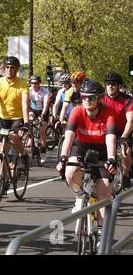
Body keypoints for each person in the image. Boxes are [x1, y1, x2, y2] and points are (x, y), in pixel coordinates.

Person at [56, 80, 117, 234]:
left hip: (102, 151)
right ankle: (79, 197)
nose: (87, 100)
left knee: (103, 194)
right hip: (81, 147)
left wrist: (111, 158)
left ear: (99, 98)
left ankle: (101, 234)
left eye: (91, 97)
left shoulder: (109, 113)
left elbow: (110, 137)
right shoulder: (77, 111)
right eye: (84, 97)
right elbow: (69, 135)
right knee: (70, 172)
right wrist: (63, 157)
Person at [0, 56, 30, 170]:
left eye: (12, 68)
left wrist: (26, 122)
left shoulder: (22, 84)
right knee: (1, 148)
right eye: (7, 67)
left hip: (17, 117)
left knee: (13, 137)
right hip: (2, 117)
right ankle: (3, 177)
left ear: (16, 70)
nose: (9, 69)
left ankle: (23, 155)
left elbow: (25, 105)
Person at [102, 72, 133, 189]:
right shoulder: (101, 99)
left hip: (123, 132)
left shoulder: (127, 100)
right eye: (108, 84)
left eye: (113, 84)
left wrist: (124, 138)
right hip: (106, 132)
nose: (110, 86)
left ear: (119, 86)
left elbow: (130, 121)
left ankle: (125, 175)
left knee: (125, 154)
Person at [28, 75, 51, 153]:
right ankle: (30, 138)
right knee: (29, 120)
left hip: (43, 111)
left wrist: (42, 115)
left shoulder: (44, 92)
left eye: (36, 83)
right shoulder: (29, 90)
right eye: (32, 83)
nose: (34, 85)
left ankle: (43, 146)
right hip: (33, 110)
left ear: (39, 83)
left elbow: (46, 105)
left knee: (42, 130)